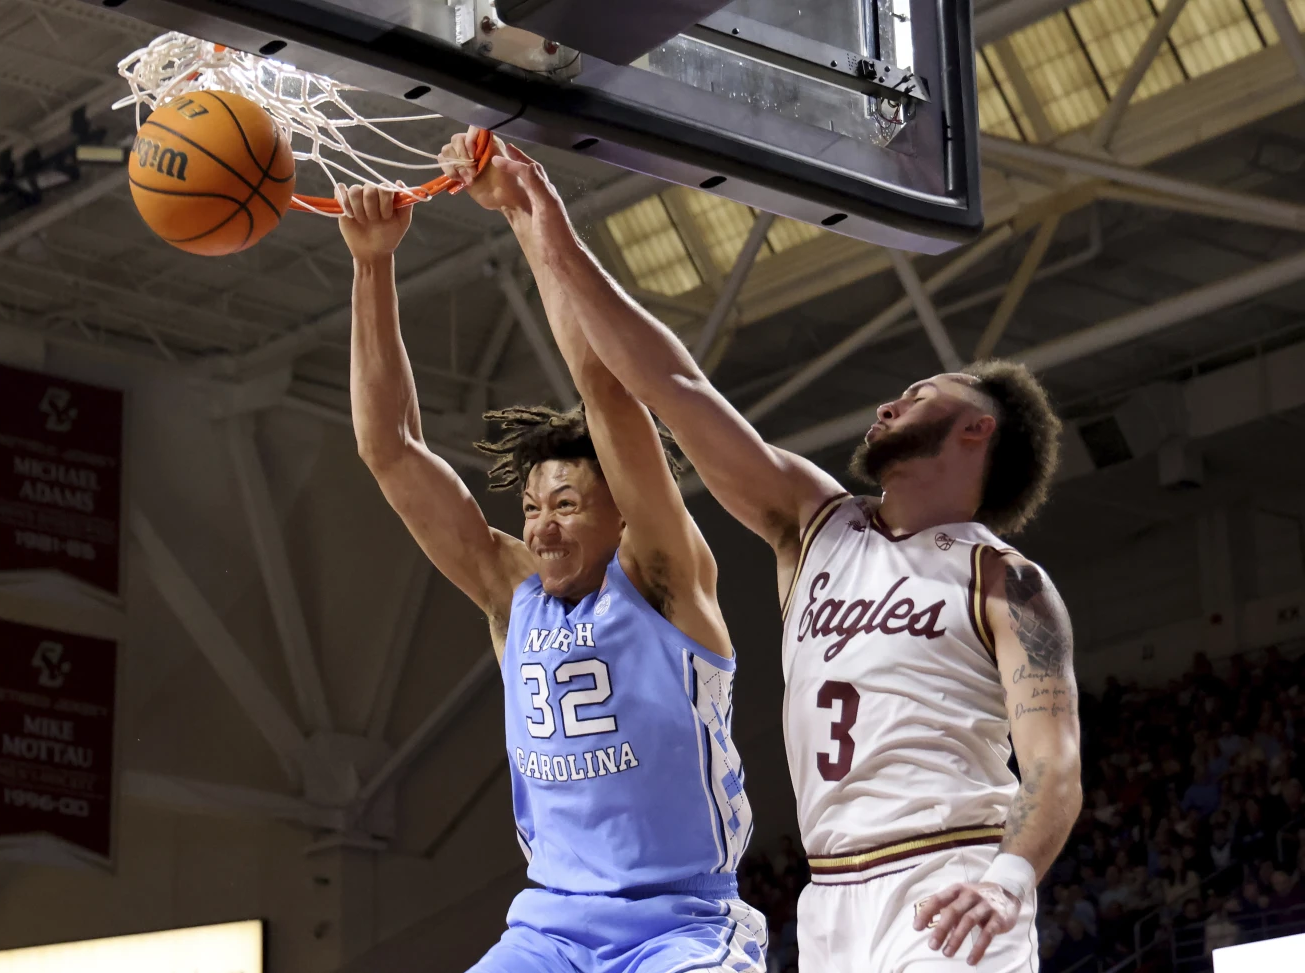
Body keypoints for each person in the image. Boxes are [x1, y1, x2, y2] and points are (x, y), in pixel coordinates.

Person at [470, 133, 1084, 970]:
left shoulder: (1006, 580)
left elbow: (1054, 761)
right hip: (832, 892)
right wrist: (541, 222)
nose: (889, 402)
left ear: (978, 429)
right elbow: (670, 386)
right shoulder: (812, 520)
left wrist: (1010, 877)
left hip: (951, 870)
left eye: (918, 395)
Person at [338, 159, 766, 973]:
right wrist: (372, 263)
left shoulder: (668, 582)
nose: (541, 526)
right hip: (549, 932)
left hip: (681, 922)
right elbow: (387, 449)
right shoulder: (512, 596)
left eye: (566, 505)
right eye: (533, 508)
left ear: (619, 514)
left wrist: (522, 216)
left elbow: (606, 389)